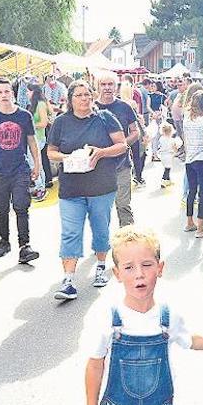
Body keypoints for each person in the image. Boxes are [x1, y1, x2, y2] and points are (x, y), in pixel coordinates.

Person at [84, 226, 203, 405]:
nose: (139, 274)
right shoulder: (108, 317)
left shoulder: (168, 317)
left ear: (160, 268)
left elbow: (190, 340)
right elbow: (95, 365)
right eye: (129, 267)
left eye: (147, 265)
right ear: (117, 273)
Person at [47, 80, 127, 301]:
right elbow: (51, 152)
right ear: (70, 100)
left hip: (101, 186)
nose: (84, 99)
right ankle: (69, 280)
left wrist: (100, 153)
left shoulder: (104, 118)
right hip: (71, 188)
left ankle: (101, 266)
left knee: (100, 228)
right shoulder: (61, 122)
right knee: (71, 232)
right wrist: (67, 157)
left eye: (87, 95)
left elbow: (122, 145)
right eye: (79, 95)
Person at [0, 78, 42, 264]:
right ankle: (4, 240)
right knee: (1, 207)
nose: (4, 95)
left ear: (12, 92)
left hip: (20, 169)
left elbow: (32, 142)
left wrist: (37, 165)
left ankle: (24, 245)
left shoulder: (24, 115)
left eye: (7, 91)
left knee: (21, 206)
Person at [96, 72, 140, 227]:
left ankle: (128, 242)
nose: (107, 88)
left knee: (123, 206)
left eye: (110, 84)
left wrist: (122, 145)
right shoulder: (92, 108)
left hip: (122, 164)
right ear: (98, 86)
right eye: (103, 84)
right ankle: (101, 245)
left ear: (116, 87)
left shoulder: (125, 107)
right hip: (98, 167)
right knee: (100, 210)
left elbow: (135, 132)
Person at [182, 91, 203, 239]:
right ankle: (200, 228)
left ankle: (189, 222)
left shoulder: (187, 119)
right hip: (202, 160)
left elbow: (185, 139)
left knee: (191, 191)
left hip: (189, 159)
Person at [26, 82, 52, 201]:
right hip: (35, 138)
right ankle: (40, 187)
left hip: (38, 138)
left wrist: (30, 125)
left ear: (33, 92)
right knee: (37, 163)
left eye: (28, 91)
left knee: (34, 163)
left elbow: (44, 122)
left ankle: (40, 187)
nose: (26, 93)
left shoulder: (40, 104)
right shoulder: (35, 104)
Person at [156, 122, 179, 188]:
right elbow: (175, 147)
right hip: (169, 155)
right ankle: (163, 180)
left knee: (166, 167)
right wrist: (176, 150)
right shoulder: (172, 140)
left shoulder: (161, 139)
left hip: (162, 155)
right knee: (167, 169)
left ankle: (168, 180)